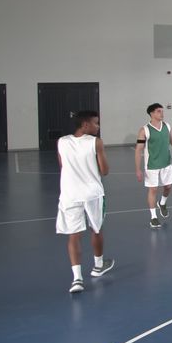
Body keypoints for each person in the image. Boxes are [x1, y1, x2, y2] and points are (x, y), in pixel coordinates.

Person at [57, 111, 114, 293]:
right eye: (96, 123)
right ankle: (98, 265)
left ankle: (77, 279)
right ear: (85, 125)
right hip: (92, 193)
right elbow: (104, 170)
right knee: (96, 229)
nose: (98, 127)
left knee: (73, 235)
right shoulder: (95, 142)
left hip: (69, 193)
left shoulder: (62, 142)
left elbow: (62, 165)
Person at [135, 103, 172, 229]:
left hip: (166, 163)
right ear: (151, 113)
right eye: (159, 111)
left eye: (162, 111)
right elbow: (138, 150)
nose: (162, 114)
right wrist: (138, 169)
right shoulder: (144, 130)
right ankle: (153, 217)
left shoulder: (167, 126)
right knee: (153, 189)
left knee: (168, 187)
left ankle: (162, 203)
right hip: (152, 165)